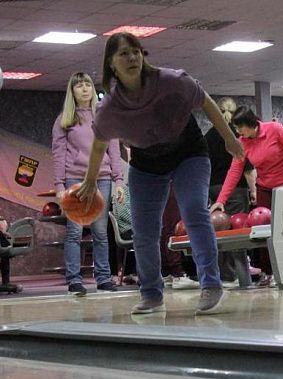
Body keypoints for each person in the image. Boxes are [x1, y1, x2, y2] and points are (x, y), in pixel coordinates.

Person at [77, 32, 244, 314]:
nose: (131, 58)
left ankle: (211, 284)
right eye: (123, 54)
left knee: (193, 211)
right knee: (144, 230)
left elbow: (206, 102)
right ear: (111, 64)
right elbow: (99, 146)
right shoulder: (110, 108)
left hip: (188, 152)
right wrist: (90, 181)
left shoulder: (171, 80)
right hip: (147, 163)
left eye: (135, 51)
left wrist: (229, 138)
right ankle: (152, 294)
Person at [210, 106, 283, 285]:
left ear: (250, 124)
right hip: (265, 187)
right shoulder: (243, 142)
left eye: (240, 128)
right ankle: (268, 272)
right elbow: (234, 171)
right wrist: (221, 200)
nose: (238, 132)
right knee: (264, 231)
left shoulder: (274, 129)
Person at [52, 72, 124, 296]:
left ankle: (103, 277)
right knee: (74, 232)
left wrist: (118, 181)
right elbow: (58, 154)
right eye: (79, 85)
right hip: (75, 179)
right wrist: (59, 186)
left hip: (102, 178)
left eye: (87, 85)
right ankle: (74, 280)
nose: (84, 89)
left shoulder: (103, 116)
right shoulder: (65, 119)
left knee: (100, 232)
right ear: (72, 91)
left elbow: (114, 150)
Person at [205, 97, 257, 287]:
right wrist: (253, 191)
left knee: (219, 231)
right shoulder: (237, 137)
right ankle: (241, 275)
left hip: (214, 189)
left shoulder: (209, 136)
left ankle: (222, 273)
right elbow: (247, 169)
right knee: (238, 232)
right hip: (235, 189)